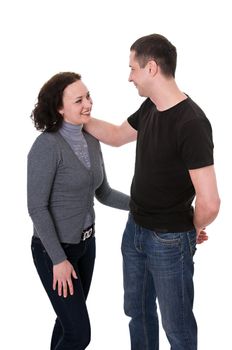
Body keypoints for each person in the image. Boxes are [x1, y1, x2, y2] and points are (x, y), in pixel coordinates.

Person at [84, 34, 221, 350]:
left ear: (152, 68)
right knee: (138, 312)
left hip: (170, 241)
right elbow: (118, 135)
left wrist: (193, 228)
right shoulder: (149, 108)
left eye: (132, 68)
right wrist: (79, 117)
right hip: (135, 231)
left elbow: (210, 201)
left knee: (178, 328)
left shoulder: (192, 123)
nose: (129, 76)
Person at [27, 72, 130, 350]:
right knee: (78, 334)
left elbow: (104, 192)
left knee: (66, 324)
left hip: (86, 246)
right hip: (55, 251)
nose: (88, 104)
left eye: (88, 96)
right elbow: (37, 207)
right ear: (60, 108)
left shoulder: (91, 139)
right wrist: (58, 260)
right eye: (78, 100)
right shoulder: (46, 146)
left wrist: (141, 205)